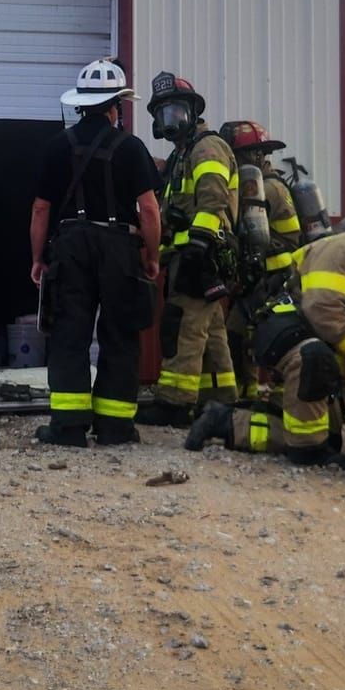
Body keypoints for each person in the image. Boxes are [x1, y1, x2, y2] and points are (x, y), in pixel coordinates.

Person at [189, 206, 345, 466]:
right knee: (314, 375)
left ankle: (224, 421)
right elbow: (322, 311)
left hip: (319, 341)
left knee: (328, 438)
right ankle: (305, 449)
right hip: (284, 329)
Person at [28, 60, 162, 447]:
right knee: (119, 334)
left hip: (70, 246)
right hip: (119, 245)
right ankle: (115, 428)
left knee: (70, 333)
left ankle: (68, 428)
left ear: (80, 105)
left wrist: (38, 258)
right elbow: (150, 210)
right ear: (115, 106)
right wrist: (151, 256)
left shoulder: (57, 147)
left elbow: (41, 209)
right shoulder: (132, 148)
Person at [136, 74, 239, 429]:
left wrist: (199, 243)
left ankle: (174, 405)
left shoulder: (206, 148)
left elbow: (214, 198)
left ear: (193, 112)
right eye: (163, 114)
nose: (169, 121)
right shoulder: (183, 153)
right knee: (211, 331)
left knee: (183, 326)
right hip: (190, 251)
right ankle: (221, 401)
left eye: (176, 111)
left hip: (201, 252)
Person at [217, 120, 306, 397]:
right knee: (240, 336)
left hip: (272, 277)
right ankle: (247, 394)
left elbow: (286, 240)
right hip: (260, 275)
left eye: (235, 155)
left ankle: (266, 396)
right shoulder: (261, 184)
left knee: (250, 336)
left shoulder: (266, 189)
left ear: (254, 155)